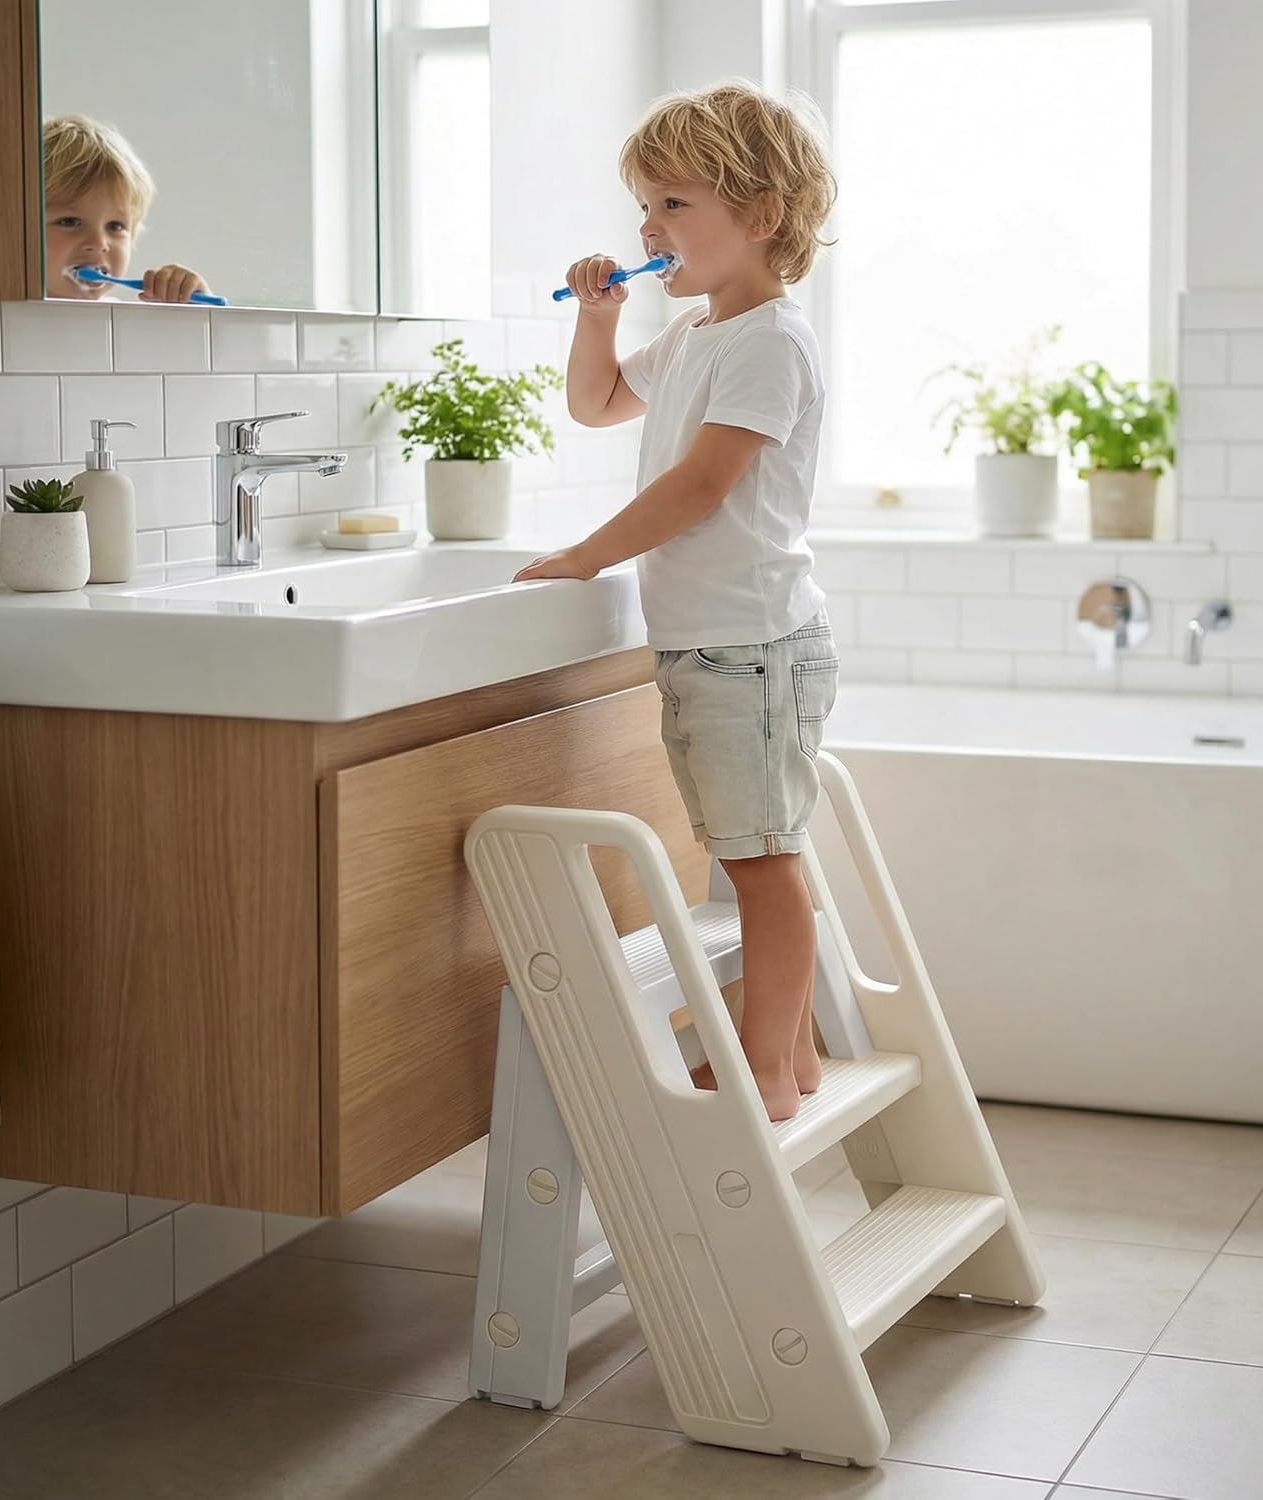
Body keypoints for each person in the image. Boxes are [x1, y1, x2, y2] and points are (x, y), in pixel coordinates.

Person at [514, 82, 840, 1122]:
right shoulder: (703, 334)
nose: (648, 230)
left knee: (761, 861)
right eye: (643, 211)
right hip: (717, 646)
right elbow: (598, 403)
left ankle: (765, 1070)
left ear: (762, 213)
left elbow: (703, 487)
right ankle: (790, 1055)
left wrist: (586, 555)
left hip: (751, 647)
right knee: (753, 855)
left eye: (672, 205)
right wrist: (599, 321)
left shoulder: (769, 343)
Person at [42, 114, 210, 304]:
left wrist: (193, 307)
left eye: (115, 226)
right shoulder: (5, 313)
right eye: (70, 222)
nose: (99, 243)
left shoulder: (126, 321)